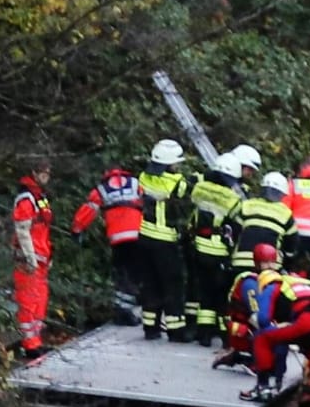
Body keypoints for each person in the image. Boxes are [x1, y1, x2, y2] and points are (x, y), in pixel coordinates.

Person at [70, 163, 144, 325]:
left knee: (121, 272)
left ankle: (123, 311)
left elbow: (89, 209)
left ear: (107, 173)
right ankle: (131, 310)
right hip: (138, 234)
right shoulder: (135, 183)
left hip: (118, 237)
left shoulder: (102, 189)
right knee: (134, 272)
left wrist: (76, 229)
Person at [185, 152, 245, 345]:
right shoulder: (232, 198)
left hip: (198, 246)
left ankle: (203, 334)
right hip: (218, 250)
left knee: (203, 292)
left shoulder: (199, 189)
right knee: (220, 294)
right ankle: (225, 336)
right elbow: (238, 224)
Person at [136, 138, 193, 340]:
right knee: (173, 284)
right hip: (165, 240)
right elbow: (188, 193)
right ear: (170, 163)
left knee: (150, 283)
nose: (178, 166)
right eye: (176, 162)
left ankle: (150, 327)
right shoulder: (176, 182)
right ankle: (176, 330)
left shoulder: (143, 177)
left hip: (143, 237)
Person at [11, 160, 55, 360]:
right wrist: (30, 258)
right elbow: (22, 230)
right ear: (34, 173)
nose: (46, 176)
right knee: (28, 302)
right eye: (43, 173)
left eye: (48, 173)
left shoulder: (39, 197)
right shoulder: (27, 198)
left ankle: (36, 341)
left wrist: (48, 255)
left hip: (41, 257)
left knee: (39, 301)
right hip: (29, 260)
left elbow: (43, 230)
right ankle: (30, 344)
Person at [212, 242, 279, 370]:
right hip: (244, 327)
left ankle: (238, 357)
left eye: (272, 262)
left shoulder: (271, 281)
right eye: (266, 263)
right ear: (258, 263)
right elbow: (255, 313)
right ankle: (245, 357)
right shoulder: (250, 283)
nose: (270, 267)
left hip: (256, 323)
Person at [228, 170, 294, 276]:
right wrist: (287, 264)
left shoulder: (246, 205)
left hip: (241, 262)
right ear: (282, 194)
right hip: (270, 266)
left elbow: (234, 231)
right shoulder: (286, 214)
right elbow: (292, 245)